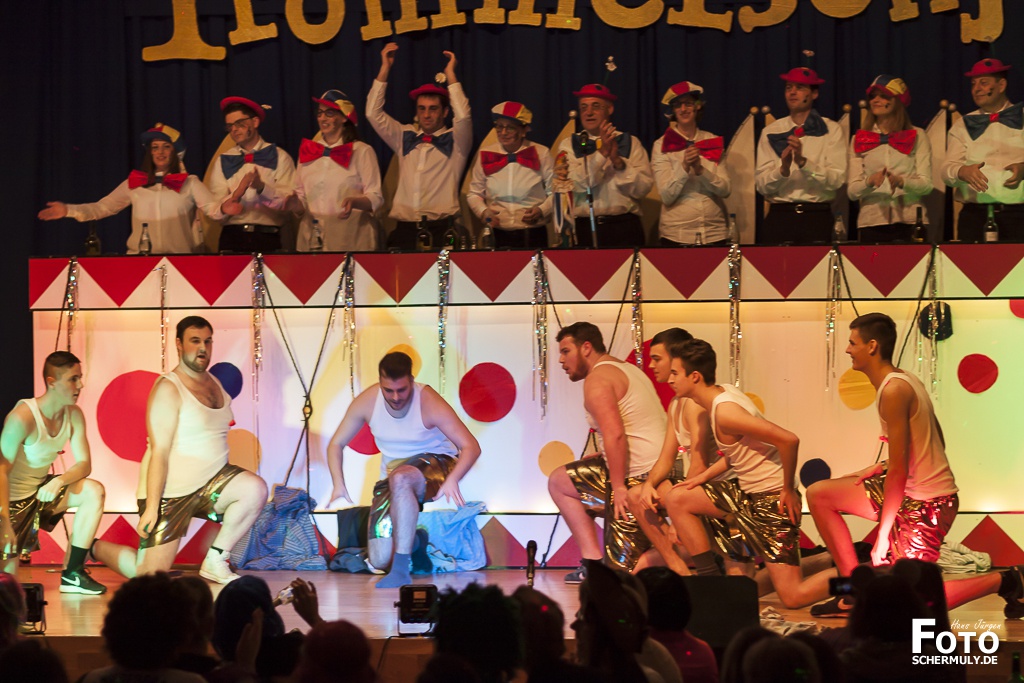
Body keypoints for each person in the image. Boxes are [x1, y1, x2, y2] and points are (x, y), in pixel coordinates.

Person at [806, 312, 1024, 618]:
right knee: (819, 494)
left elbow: (900, 471)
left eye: (852, 343)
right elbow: (934, 442)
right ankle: (852, 592)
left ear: (872, 346)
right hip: (908, 491)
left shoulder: (895, 390)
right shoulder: (903, 380)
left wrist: (882, 536)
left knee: (911, 606)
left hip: (929, 503)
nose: (847, 350)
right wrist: (884, 465)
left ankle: (1009, 580)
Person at [92, 316, 268, 584]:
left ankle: (216, 560)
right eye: (195, 341)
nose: (203, 348)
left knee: (254, 489)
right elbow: (159, 452)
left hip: (211, 483)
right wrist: (152, 507)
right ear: (179, 344)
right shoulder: (168, 388)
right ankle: (93, 548)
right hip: (168, 494)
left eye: (207, 341)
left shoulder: (215, 383)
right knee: (149, 579)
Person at [661, 339, 834, 608]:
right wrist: (702, 478)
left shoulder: (725, 412)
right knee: (678, 497)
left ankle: (857, 577)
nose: (670, 379)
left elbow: (789, 440)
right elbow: (739, 453)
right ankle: (710, 582)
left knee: (793, 596)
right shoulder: (721, 395)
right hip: (746, 494)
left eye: (675, 373)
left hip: (771, 500)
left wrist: (787, 490)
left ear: (694, 376)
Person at [325, 351, 481, 588]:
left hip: (437, 465)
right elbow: (335, 444)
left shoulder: (428, 401)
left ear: (411, 380)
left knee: (400, 478)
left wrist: (453, 479)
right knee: (379, 559)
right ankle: (416, 542)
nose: (396, 397)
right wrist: (338, 483)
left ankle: (400, 571)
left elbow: (471, 446)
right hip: (393, 478)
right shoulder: (367, 402)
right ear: (380, 383)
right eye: (389, 390)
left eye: (402, 390)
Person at [547, 322, 666, 582]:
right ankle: (591, 563)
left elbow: (616, 435)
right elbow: (634, 428)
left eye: (566, 351)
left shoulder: (598, 380)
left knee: (619, 577)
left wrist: (619, 487)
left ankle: (694, 551)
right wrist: (603, 456)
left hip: (642, 476)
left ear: (586, 348)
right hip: (655, 466)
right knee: (560, 481)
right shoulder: (625, 369)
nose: (561, 360)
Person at [0, 352, 108, 594]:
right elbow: (1, 469)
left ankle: (72, 574)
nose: (80, 385)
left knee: (93, 491)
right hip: (9, 503)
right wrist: (3, 521)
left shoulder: (74, 414)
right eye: (73, 379)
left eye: (80, 378)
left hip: (39, 493)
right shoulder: (22, 417)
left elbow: (84, 464)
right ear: (52, 382)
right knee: (8, 589)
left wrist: (59, 481)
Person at [37, 123, 234, 254]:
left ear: (176, 152)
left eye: (166, 146)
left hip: (179, 262)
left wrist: (229, 203)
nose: (160, 152)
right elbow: (102, 207)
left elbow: (213, 209)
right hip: (140, 261)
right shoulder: (135, 184)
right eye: (155, 147)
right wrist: (68, 210)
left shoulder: (190, 183)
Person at [365, 43, 472, 250]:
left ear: (445, 112)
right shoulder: (404, 136)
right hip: (404, 230)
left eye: (433, 109)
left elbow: (464, 116)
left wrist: (451, 76)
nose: (426, 114)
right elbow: (372, 113)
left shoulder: (457, 141)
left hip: (442, 230)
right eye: (422, 109)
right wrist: (385, 68)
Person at [755, 66, 847, 244]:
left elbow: (837, 181)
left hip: (817, 216)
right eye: (789, 87)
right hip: (780, 216)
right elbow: (761, 186)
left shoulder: (831, 129)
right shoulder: (771, 131)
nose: (792, 92)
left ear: (814, 94)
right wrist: (783, 170)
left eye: (800, 87)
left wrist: (804, 163)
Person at [557, 84, 654, 248]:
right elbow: (577, 185)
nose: (589, 112)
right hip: (585, 227)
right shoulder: (568, 145)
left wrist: (619, 163)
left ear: (609, 109)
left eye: (596, 106)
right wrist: (601, 154)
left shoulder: (631, 142)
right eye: (584, 107)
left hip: (625, 227)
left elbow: (642, 189)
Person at [289, 89, 383, 251]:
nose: (322, 118)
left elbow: (376, 198)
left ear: (344, 117)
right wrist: (294, 204)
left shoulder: (362, 151)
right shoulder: (309, 151)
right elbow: (301, 195)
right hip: (311, 240)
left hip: (350, 240)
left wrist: (354, 202)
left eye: (329, 113)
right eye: (320, 113)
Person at [941, 58, 1024, 242]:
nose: (976, 89)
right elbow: (946, 171)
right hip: (975, 217)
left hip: (1019, 215)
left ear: (1001, 85)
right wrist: (962, 171)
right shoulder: (963, 124)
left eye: (983, 83)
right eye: (973, 84)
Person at [848, 75, 933, 243]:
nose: (876, 100)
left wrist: (902, 182)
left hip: (910, 221)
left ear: (898, 100)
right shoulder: (860, 139)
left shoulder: (918, 135)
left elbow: (926, 185)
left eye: (884, 96)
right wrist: (869, 182)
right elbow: (852, 192)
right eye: (873, 96)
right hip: (872, 222)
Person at [208, 96, 296, 252]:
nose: (234, 130)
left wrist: (262, 188)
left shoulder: (280, 156)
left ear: (255, 122)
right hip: (232, 237)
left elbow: (290, 204)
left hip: (268, 237)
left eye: (239, 123)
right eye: (230, 126)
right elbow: (214, 207)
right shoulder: (224, 160)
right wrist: (235, 195)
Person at [651, 82, 732, 246]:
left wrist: (700, 170)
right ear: (673, 110)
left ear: (697, 106)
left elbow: (725, 190)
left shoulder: (712, 141)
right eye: (678, 105)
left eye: (688, 103)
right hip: (677, 235)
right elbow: (666, 196)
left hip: (714, 233)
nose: (683, 109)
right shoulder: (661, 145)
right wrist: (684, 167)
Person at [466, 101, 554, 249]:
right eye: (499, 127)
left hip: (532, 233)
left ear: (524, 130)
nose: (503, 133)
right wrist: (484, 212)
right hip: (498, 233)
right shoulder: (486, 155)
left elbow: (556, 192)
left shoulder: (541, 153)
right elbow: (474, 193)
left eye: (510, 127)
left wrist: (541, 210)